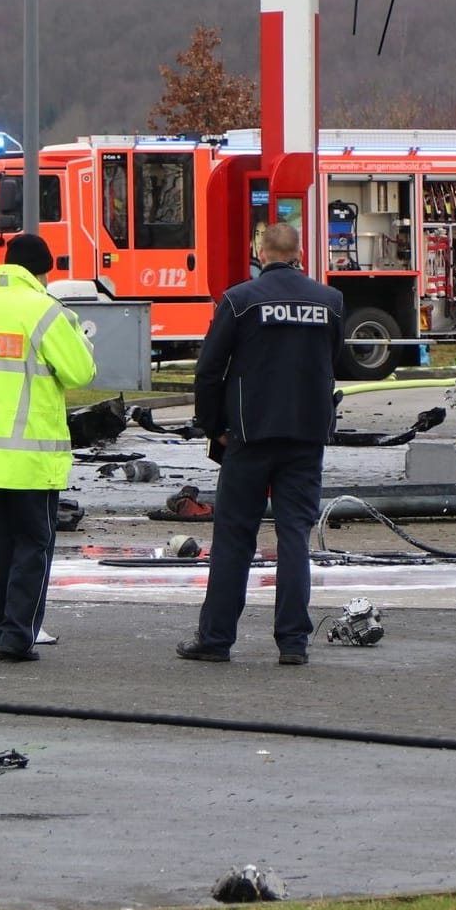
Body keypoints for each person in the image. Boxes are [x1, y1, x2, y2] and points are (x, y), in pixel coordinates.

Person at [177, 221, 344, 666]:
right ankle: (293, 642)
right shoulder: (330, 302)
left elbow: (209, 371)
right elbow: (334, 362)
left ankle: (216, 639)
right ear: (300, 253)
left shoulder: (239, 300)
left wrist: (214, 426)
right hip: (307, 437)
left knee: (234, 538)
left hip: (249, 436)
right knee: (294, 536)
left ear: (260, 251)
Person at [0, 233, 96, 662]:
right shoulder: (45, 311)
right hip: (31, 457)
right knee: (33, 543)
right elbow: (81, 371)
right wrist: (78, 333)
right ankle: (17, 633)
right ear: (42, 271)